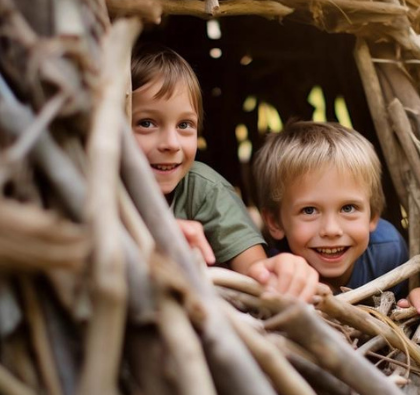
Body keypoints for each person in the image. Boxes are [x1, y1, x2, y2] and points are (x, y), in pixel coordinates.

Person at [130, 46, 319, 301]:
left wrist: (282, 270)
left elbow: (256, 272)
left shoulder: (205, 189)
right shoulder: (85, 184)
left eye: (185, 125)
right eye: (146, 123)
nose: (171, 143)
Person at [253, 120, 420, 326]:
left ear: (373, 216)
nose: (331, 230)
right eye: (309, 210)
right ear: (275, 222)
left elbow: (401, 306)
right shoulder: (278, 270)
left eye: (348, 208)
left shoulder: (388, 252)